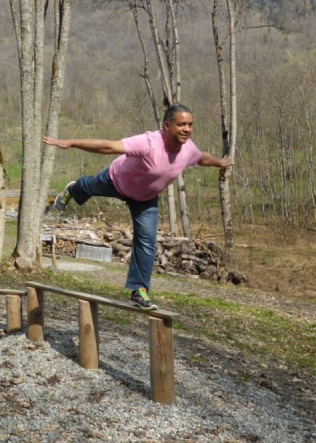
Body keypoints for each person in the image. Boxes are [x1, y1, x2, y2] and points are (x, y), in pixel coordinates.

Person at [43, 104, 232, 310]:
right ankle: (73, 189)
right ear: (167, 125)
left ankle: (139, 291)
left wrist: (219, 163)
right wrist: (70, 143)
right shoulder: (149, 142)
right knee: (89, 185)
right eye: (181, 124)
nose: (187, 129)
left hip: (145, 199)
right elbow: (108, 146)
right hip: (116, 181)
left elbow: (202, 157)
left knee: (146, 242)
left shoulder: (188, 150)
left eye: (189, 125)